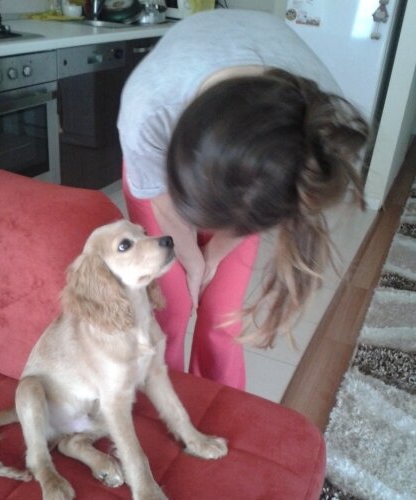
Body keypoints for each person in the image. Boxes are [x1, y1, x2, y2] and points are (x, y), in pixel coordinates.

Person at [117, 9, 368, 390]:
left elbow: (249, 215)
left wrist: (215, 255)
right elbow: (163, 203)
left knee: (222, 315)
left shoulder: (313, 133)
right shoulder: (148, 111)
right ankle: (158, 397)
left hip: (263, 156)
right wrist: (192, 260)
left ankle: (217, 408)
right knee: (169, 307)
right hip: (159, 178)